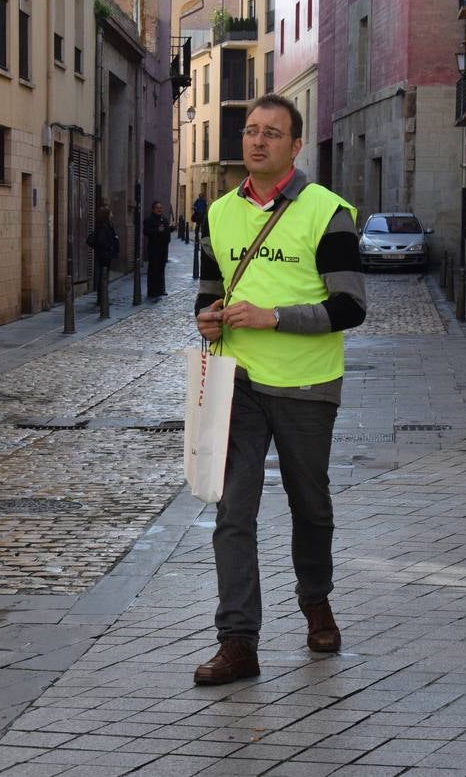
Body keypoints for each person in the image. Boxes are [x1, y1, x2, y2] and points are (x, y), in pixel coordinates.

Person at [191, 93, 366, 686]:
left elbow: (350, 307)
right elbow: (206, 291)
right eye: (249, 131)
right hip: (237, 384)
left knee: (308, 506)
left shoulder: (328, 212)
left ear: (295, 146)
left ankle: (316, 600)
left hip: (307, 385)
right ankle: (237, 641)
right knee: (232, 513)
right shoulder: (217, 214)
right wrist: (208, 317)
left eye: (272, 133)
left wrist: (275, 316)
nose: (257, 141)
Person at [87, 205, 118, 315]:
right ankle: (102, 299)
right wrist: (109, 246)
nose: (112, 215)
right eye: (110, 213)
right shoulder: (104, 226)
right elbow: (101, 240)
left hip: (104, 254)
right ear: (106, 215)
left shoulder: (105, 225)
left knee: (103, 277)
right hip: (104, 255)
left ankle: (102, 298)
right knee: (103, 277)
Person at [142, 201, 173, 299]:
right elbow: (146, 232)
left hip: (163, 248)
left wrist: (171, 228)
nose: (160, 210)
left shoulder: (164, 219)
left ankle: (161, 289)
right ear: (153, 209)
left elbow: (165, 230)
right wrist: (157, 231)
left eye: (161, 208)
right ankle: (152, 291)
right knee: (153, 270)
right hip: (154, 248)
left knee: (161, 269)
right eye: (157, 208)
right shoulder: (149, 220)